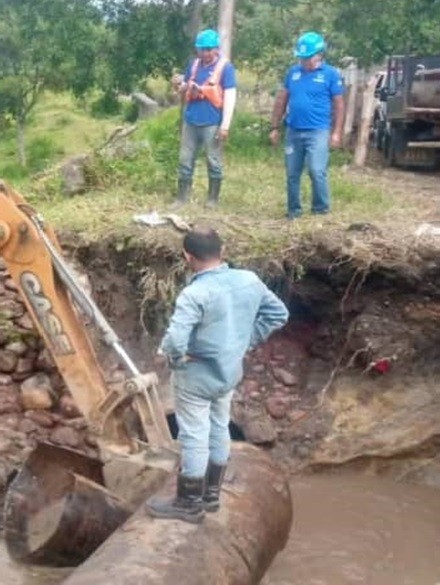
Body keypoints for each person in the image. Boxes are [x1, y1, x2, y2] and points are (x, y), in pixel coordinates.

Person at [147, 227, 289, 523]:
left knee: (194, 435)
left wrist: (176, 360)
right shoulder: (249, 280)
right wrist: (246, 340)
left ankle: (188, 504)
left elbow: (174, 341)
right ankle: (211, 495)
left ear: (187, 256)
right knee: (219, 426)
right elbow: (279, 314)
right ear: (222, 251)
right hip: (228, 373)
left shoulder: (195, 293)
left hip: (196, 376)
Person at [269, 31, 345, 219]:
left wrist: (336, 133)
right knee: (292, 173)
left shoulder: (330, 74)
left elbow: (339, 105)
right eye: (301, 58)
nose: (303, 62)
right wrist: (275, 127)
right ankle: (293, 211)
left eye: (307, 58)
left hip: (318, 131)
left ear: (319, 55)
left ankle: (320, 209)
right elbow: (282, 100)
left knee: (316, 170)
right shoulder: (293, 73)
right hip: (294, 131)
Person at [170, 28, 237, 207]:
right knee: (185, 160)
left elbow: (230, 96)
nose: (205, 53)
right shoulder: (193, 65)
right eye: (202, 49)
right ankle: (182, 198)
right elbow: (184, 87)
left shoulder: (225, 68)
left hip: (212, 122)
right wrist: (181, 85)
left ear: (216, 49)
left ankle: (212, 199)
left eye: (208, 49)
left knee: (213, 160)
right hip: (191, 120)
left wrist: (225, 125)